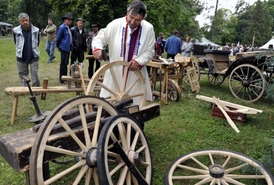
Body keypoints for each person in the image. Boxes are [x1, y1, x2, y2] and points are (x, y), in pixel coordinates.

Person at [92, 0, 155, 105]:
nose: (133, 22)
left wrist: (139, 61)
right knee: (110, 107)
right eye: (131, 17)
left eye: (137, 20)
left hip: (135, 75)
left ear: (143, 18)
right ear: (127, 12)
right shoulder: (115, 24)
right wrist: (97, 48)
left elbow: (150, 51)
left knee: (135, 108)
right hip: (115, 73)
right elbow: (100, 37)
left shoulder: (148, 28)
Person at [13, 13, 40, 87]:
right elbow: (16, 42)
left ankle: (36, 89)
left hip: (33, 55)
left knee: (35, 74)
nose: (25, 22)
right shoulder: (15, 31)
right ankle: (24, 89)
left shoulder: (36, 30)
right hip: (21, 56)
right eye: (23, 21)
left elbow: (37, 42)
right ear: (19, 21)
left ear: (29, 20)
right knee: (23, 75)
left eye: (26, 20)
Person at [56, 13, 73, 84]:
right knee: (63, 64)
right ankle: (62, 78)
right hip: (63, 47)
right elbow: (58, 37)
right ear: (64, 20)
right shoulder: (62, 27)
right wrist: (57, 46)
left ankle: (65, 77)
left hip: (68, 48)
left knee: (66, 63)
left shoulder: (67, 27)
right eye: (68, 20)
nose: (70, 21)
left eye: (70, 20)